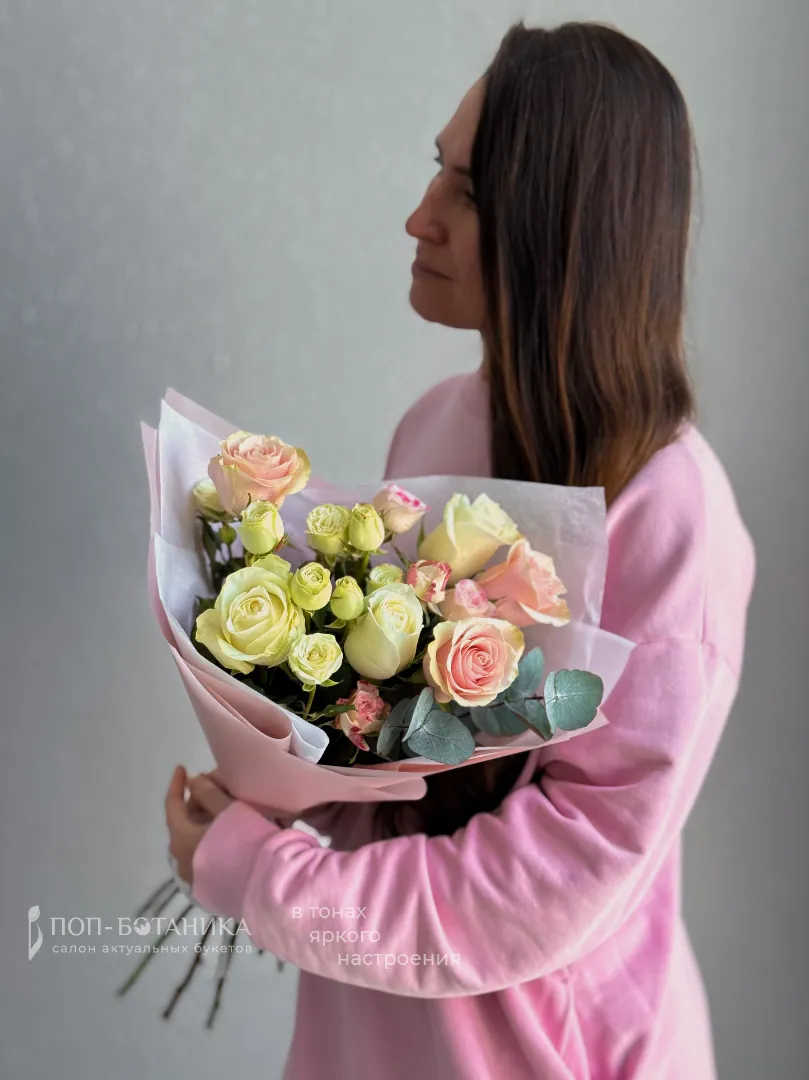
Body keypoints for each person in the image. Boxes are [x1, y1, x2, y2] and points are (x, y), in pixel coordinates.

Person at [164, 19, 756, 1079]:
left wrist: (265, 878)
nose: (418, 217)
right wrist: (283, 775)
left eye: (468, 192)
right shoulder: (438, 421)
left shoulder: (673, 520)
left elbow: (550, 882)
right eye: (433, 169)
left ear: (566, 223)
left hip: (543, 1051)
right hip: (367, 1028)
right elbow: (396, 763)